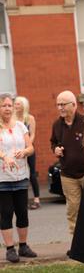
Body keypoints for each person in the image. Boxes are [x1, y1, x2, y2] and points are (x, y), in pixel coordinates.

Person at [0, 94, 37, 263]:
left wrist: (25, 152)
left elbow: (31, 147)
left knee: (22, 213)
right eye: (4, 106)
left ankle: (23, 246)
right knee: (6, 214)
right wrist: (4, 157)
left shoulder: (21, 126)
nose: (7, 108)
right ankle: (10, 249)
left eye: (9, 105)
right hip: (3, 179)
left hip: (21, 176)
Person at [50, 91, 84, 239]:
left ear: (73, 104)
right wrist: (55, 149)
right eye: (58, 104)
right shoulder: (57, 125)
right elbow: (53, 142)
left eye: (63, 104)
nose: (60, 108)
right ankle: (76, 243)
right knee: (73, 209)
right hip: (68, 175)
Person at [14, 96, 41, 209]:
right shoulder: (12, 119)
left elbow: (32, 134)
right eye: (15, 103)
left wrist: (27, 146)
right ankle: (21, 200)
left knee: (32, 174)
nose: (15, 106)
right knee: (19, 173)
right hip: (16, 150)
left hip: (28, 149)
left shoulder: (30, 118)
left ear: (23, 106)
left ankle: (36, 199)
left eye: (18, 104)